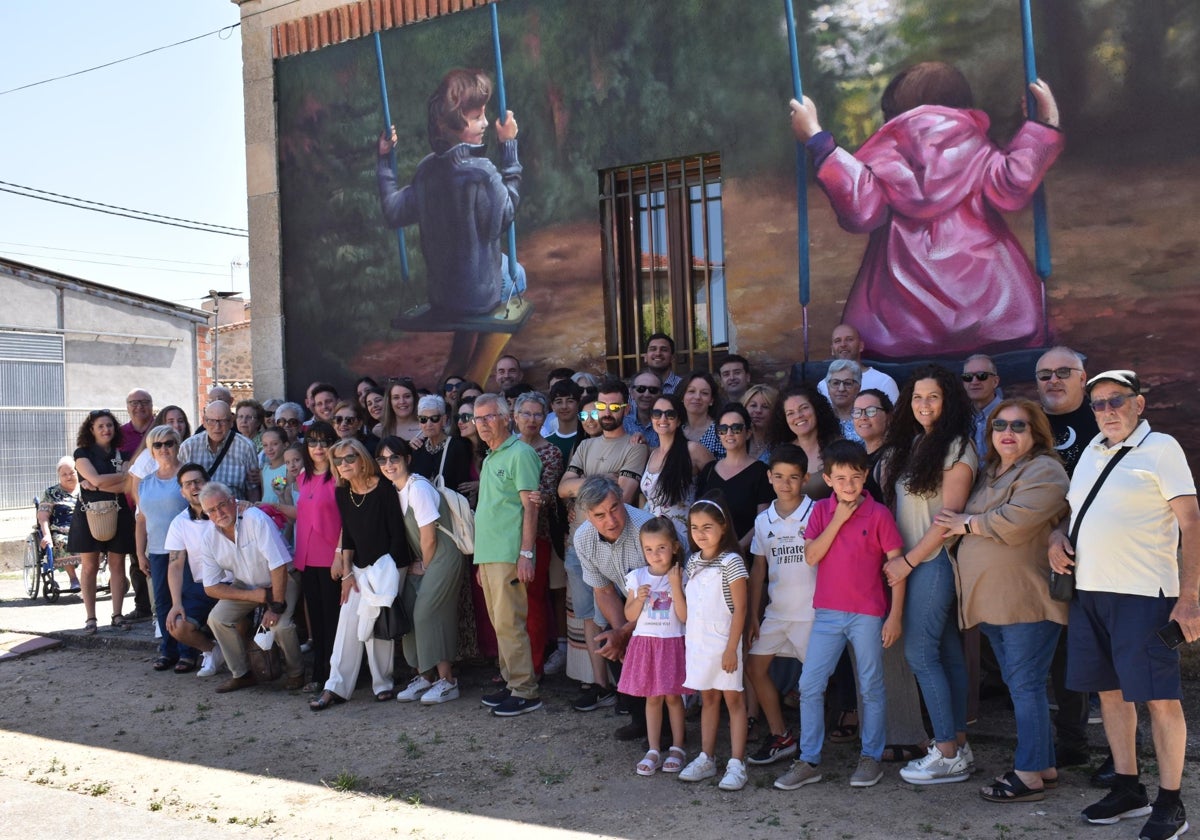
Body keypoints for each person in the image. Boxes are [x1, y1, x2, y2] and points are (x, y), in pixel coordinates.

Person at [790, 65, 1063, 359]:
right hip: (992, 315)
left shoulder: (885, 153)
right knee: (1001, 310)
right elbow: (1013, 185)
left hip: (901, 325)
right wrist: (1044, 124)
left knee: (890, 326)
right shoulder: (977, 147)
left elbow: (860, 211)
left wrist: (818, 141)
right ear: (962, 104)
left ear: (893, 112)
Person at [1049, 370, 1200, 839]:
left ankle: (1171, 804)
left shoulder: (1162, 448)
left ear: (1140, 403)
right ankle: (1129, 787)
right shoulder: (1093, 452)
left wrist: (1191, 597)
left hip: (1143, 597)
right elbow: (1077, 514)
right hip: (1090, 593)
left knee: (1159, 700)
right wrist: (1058, 536)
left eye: (1117, 400)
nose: (1108, 410)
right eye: (1098, 404)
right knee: (1110, 694)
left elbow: (1192, 522)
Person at [935, 398, 1069, 803]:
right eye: (999, 425)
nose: (1007, 432)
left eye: (1018, 426)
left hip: (1026, 601)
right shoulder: (991, 471)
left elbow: (1014, 522)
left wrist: (968, 524)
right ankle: (1043, 765)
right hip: (992, 603)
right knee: (1019, 684)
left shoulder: (1046, 470)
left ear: (1036, 433)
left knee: (1025, 685)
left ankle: (1027, 774)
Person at [774, 440, 904, 791]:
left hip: (868, 613)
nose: (849, 485)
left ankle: (870, 757)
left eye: (856, 477)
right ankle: (809, 760)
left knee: (871, 686)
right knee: (809, 685)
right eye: (841, 478)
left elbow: (897, 567)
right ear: (828, 479)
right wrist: (839, 519)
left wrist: (895, 617)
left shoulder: (879, 514)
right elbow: (812, 556)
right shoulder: (820, 511)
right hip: (828, 613)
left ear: (865, 477)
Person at [378, 68, 526, 376]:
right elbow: (507, 212)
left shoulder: (426, 171)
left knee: (477, 283)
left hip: (442, 296)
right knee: (517, 276)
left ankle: (456, 365)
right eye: (477, 117)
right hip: (477, 296)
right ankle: (478, 372)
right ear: (455, 125)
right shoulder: (482, 172)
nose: (486, 123)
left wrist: (384, 162)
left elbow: (394, 212)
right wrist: (508, 147)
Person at [880, 365, 978, 784]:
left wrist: (907, 562)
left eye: (933, 397)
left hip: (934, 561)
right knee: (948, 654)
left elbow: (947, 519)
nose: (924, 405)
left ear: (948, 400)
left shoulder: (956, 446)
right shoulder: (914, 443)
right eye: (918, 397)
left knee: (920, 653)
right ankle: (957, 743)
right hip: (915, 562)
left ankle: (945, 751)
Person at [558, 378, 649, 713]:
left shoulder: (636, 445)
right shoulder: (585, 446)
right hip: (580, 542)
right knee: (589, 616)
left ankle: (633, 690)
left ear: (625, 408)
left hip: (619, 541)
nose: (607, 412)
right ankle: (601, 686)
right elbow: (561, 488)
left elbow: (622, 495)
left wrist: (579, 487)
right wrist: (600, 482)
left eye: (614, 406)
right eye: (601, 406)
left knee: (623, 614)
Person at [1034, 345, 1099, 773]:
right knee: (1056, 650)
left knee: (1097, 649)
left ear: (1082, 376)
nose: (1053, 380)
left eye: (1063, 372)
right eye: (1044, 375)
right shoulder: (1028, 423)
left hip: (1094, 551)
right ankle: (1068, 742)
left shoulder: (1103, 421)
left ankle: (1111, 750)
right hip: (1038, 552)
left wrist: (1066, 528)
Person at [310, 438, 411, 709]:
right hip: (358, 568)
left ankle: (383, 683)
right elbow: (350, 536)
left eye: (350, 458)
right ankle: (336, 686)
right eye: (339, 460)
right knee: (347, 625)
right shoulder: (343, 492)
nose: (344, 464)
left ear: (362, 459)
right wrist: (347, 573)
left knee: (376, 623)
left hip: (388, 566)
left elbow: (397, 537)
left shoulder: (385, 490)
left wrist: (383, 573)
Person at [472, 393, 544, 717]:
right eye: (478, 418)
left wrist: (526, 553)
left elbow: (530, 506)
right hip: (489, 555)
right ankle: (511, 680)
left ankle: (525, 690)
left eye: (489, 417)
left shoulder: (521, 454)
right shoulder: (490, 457)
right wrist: (481, 560)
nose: (482, 424)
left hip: (510, 552)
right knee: (500, 623)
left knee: (510, 622)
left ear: (505, 417)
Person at [745, 444, 816, 767]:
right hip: (776, 613)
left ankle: (813, 748)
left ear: (805, 478)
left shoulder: (818, 512)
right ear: (769, 477)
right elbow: (758, 570)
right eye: (778, 476)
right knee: (755, 667)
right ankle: (781, 735)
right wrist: (754, 615)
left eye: (793, 477)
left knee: (813, 684)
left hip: (812, 614)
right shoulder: (763, 520)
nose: (785, 483)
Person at [573, 476, 658, 742]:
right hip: (627, 600)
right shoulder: (583, 538)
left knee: (650, 653)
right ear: (587, 515)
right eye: (600, 515)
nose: (610, 521)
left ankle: (665, 730)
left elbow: (663, 593)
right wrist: (622, 632)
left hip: (665, 603)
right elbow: (603, 590)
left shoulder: (647, 528)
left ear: (623, 501)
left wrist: (627, 632)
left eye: (614, 509)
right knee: (614, 647)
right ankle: (638, 719)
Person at [378, 437, 463, 705]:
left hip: (442, 557)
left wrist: (425, 565)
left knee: (428, 614)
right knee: (411, 614)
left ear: (407, 460)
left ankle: (447, 681)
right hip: (426, 558)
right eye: (383, 459)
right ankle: (424, 677)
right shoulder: (395, 490)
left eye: (395, 458)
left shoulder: (418, 488)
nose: (389, 464)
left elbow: (429, 537)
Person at [198, 482, 304, 693]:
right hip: (247, 584)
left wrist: (274, 605)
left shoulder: (255, 519)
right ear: (206, 513)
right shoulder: (209, 537)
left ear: (233, 501)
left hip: (283, 577)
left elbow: (278, 564)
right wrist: (255, 595)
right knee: (216, 619)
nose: (219, 513)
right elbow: (210, 586)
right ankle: (242, 674)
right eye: (212, 510)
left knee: (280, 626)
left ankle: (297, 673)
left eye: (222, 505)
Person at [676, 496, 750, 791]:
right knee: (708, 699)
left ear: (723, 526)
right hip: (699, 643)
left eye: (708, 527)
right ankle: (706, 757)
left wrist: (732, 648)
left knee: (733, 700)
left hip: (724, 643)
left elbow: (740, 609)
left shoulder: (732, 562)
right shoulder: (692, 562)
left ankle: (736, 762)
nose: (701, 534)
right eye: (694, 528)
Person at [620, 516, 692, 777]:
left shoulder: (680, 575)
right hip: (647, 644)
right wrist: (638, 600)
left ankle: (677, 747)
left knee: (673, 697)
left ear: (674, 546)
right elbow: (629, 615)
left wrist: (675, 586)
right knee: (652, 697)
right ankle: (653, 749)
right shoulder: (637, 577)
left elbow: (685, 616)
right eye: (648, 549)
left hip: (671, 642)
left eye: (661, 548)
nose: (655, 554)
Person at [68, 409, 134, 633]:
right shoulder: (82, 453)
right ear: (91, 430)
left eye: (110, 425)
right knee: (89, 566)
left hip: (119, 511)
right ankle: (90, 618)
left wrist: (96, 484)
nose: (106, 430)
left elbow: (127, 484)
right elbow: (106, 478)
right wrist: (105, 481)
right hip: (89, 513)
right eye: (101, 426)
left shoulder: (122, 454)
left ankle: (117, 614)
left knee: (118, 565)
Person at [513, 392, 563, 675]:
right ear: (515, 417)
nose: (531, 420)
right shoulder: (506, 448)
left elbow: (546, 494)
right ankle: (512, 664)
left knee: (532, 600)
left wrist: (533, 498)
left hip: (537, 533)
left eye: (537, 415)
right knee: (509, 605)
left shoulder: (551, 452)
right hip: (506, 535)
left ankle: (533, 666)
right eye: (526, 414)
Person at [134, 426, 190, 672]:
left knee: (185, 601)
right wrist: (139, 553)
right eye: (158, 445)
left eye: (169, 443)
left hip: (185, 551)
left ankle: (188, 651)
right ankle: (168, 650)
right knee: (162, 603)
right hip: (156, 551)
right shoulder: (145, 483)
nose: (164, 448)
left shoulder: (187, 477)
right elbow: (141, 520)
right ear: (151, 449)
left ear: (177, 445)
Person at [163, 464, 224, 678]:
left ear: (207, 483)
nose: (194, 487)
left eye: (198, 481)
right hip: (202, 587)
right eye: (188, 484)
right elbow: (175, 565)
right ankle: (212, 651)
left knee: (238, 623)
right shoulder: (179, 523)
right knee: (177, 626)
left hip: (232, 584)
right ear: (182, 491)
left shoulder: (227, 511)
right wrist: (176, 603)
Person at [293, 421, 340, 693]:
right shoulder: (303, 476)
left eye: (324, 442)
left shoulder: (339, 476)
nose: (319, 448)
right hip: (307, 557)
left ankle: (333, 674)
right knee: (317, 621)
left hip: (331, 557)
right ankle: (319, 671)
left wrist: (341, 555)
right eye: (313, 442)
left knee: (333, 619)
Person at [697, 402, 774, 553]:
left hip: (746, 557)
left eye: (736, 428)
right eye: (723, 429)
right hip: (709, 556)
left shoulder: (762, 472)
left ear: (749, 432)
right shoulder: (708, 471)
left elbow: (763, 521)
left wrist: (736, 548)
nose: (729, 433)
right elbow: (698, 516)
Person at [640, 393, 714, 543]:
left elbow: (717, 486)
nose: (662, 419)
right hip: (654, 540)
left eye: (670, 414)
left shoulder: (692, 450)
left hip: (684, 538)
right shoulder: (652, 453)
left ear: (679, 420)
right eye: (657, 414)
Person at [768, 383, 841, 502]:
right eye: (790, 413)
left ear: (816, 409)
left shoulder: (838, 447)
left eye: (804, 408)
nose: (798, 416)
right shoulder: (782, 452)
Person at [178, 401, 261, 502]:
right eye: (212, 421)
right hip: (198, 515)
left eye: (223, 421)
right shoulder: (188, 447)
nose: (217, 427)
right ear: (204, 422)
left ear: (231, 422)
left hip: (234, 513)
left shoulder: (246, 447)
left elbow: (252, 490)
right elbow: (181, 488)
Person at [120, 388, 155, 620]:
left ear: (152, 405)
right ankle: (142, 606)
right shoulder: (120, 434)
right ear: (127, 406)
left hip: (157, 505)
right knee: (136, 557)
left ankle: (157, 608)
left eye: (144, 402)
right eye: (134, 402)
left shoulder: (159, 427)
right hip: (130, 505)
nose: (139, 406)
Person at [409, 395, 474, 497]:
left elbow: (463, 488)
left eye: (434, 418)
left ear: (444, 419)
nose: (428, 424)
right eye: (423, 419)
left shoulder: (458, 447)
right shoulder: (417, 447)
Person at [817, 324, 899, 403]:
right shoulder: (823, 386)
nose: (843, 344)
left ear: (861, 346)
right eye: (837, 341)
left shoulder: (883, 382)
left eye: (849, 339)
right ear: (832, 350)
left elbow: (896, 416)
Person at [38, 457, 81, 591]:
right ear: (59, 475)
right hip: (61, 531)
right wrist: (46, 535)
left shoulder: (86, 488)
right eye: (64, 474)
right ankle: (73, 578)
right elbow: (43, 517)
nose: (68, 476)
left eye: (72, 473)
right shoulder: (51, 493)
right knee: (62, 542)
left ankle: (93, 577)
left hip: (86, 529)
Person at [962, 354, 1003, 460]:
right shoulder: (957, 418)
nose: (974, 382)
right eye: (968, 377)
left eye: (982, 375)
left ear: (995, 381)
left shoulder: (1010, 415)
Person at [680, 371, 725, 459]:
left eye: (704, 393)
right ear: (682, 396)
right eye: (691, 391)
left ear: (711, 400)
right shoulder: (676, 427)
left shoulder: (720, 431)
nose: (697, 397)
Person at [825, 360, 863, 442]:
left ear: (858, 388)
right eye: (835, 383)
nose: (841, 389)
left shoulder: (866, 417)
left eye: (848, 383)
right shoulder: (819, 418)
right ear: (828, 388)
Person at [623, 369, 663, 448]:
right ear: (631, 393)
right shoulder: (622, 424)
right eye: (641, 389)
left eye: (653, 390)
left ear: (661, 394)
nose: (646, 394)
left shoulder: (667, 423)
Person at [379, 377, 423, 442]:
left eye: (407, 396)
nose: (402, 402)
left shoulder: (426, 426)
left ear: (414, 399)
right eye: (396, 397)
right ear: (389, 402)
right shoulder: (379, 430)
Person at [742, 384, 777, 463]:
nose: (758, 410)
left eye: (765, 407)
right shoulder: (739, 439)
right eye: (753, 405)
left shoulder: (781, 445)